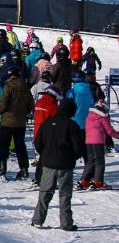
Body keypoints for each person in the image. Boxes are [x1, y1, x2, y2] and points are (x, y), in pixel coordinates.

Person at [31, 98, 84, 231]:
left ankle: (38, 220)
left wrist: (45, 154)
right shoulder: (72, 125)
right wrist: (72, 158)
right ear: (72, 111)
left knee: (45, 192)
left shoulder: (47, 123)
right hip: (65, 164)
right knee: (65, 194)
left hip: (48, 163)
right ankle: (66, 223)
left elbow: (38, 143)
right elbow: (79, 148)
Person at [0, 65, 34, 179]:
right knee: (20, 146)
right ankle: (24, 168)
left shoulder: (8, 85)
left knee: (4, 144)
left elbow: (4, 102)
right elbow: (31, 104)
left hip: (7, 120)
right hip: (20, 121)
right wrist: (25, 113)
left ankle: (2, 167)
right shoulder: (25, 86)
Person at [79, 100, 119, 190]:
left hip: (88, 141)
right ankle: (98, 182)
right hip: (98, 142)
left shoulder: (89, 116)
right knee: (99, 162)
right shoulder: (103, 117)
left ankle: (85, 180)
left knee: (90, 161)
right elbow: (110, 131)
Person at [33, 85, 62, 185]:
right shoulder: (53, 106)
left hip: (37, 133)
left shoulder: (39, 102)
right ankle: (44, 178)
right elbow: (56, 122)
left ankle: (38, 177)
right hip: (48, 135)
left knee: (42, 157)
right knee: (47, 158)